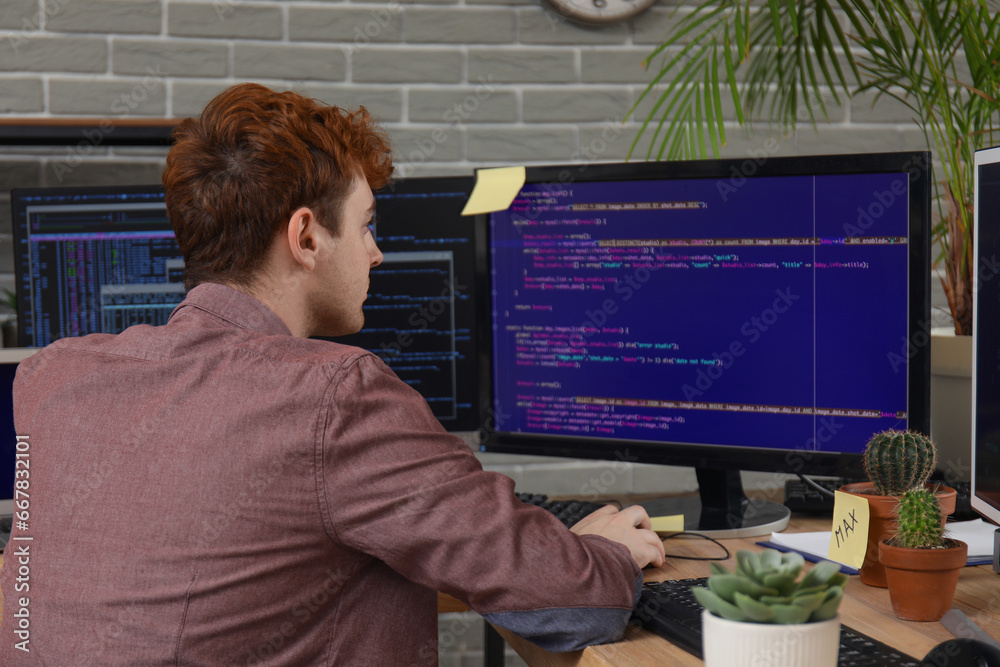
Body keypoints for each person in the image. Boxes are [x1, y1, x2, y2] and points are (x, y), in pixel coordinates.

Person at [0, 83, 665, 665]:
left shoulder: (51, 379)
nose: (376, 253)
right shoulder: (336, 396)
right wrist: (603, 554)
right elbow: (573, 603)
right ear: (307, 237)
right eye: (368, 225)